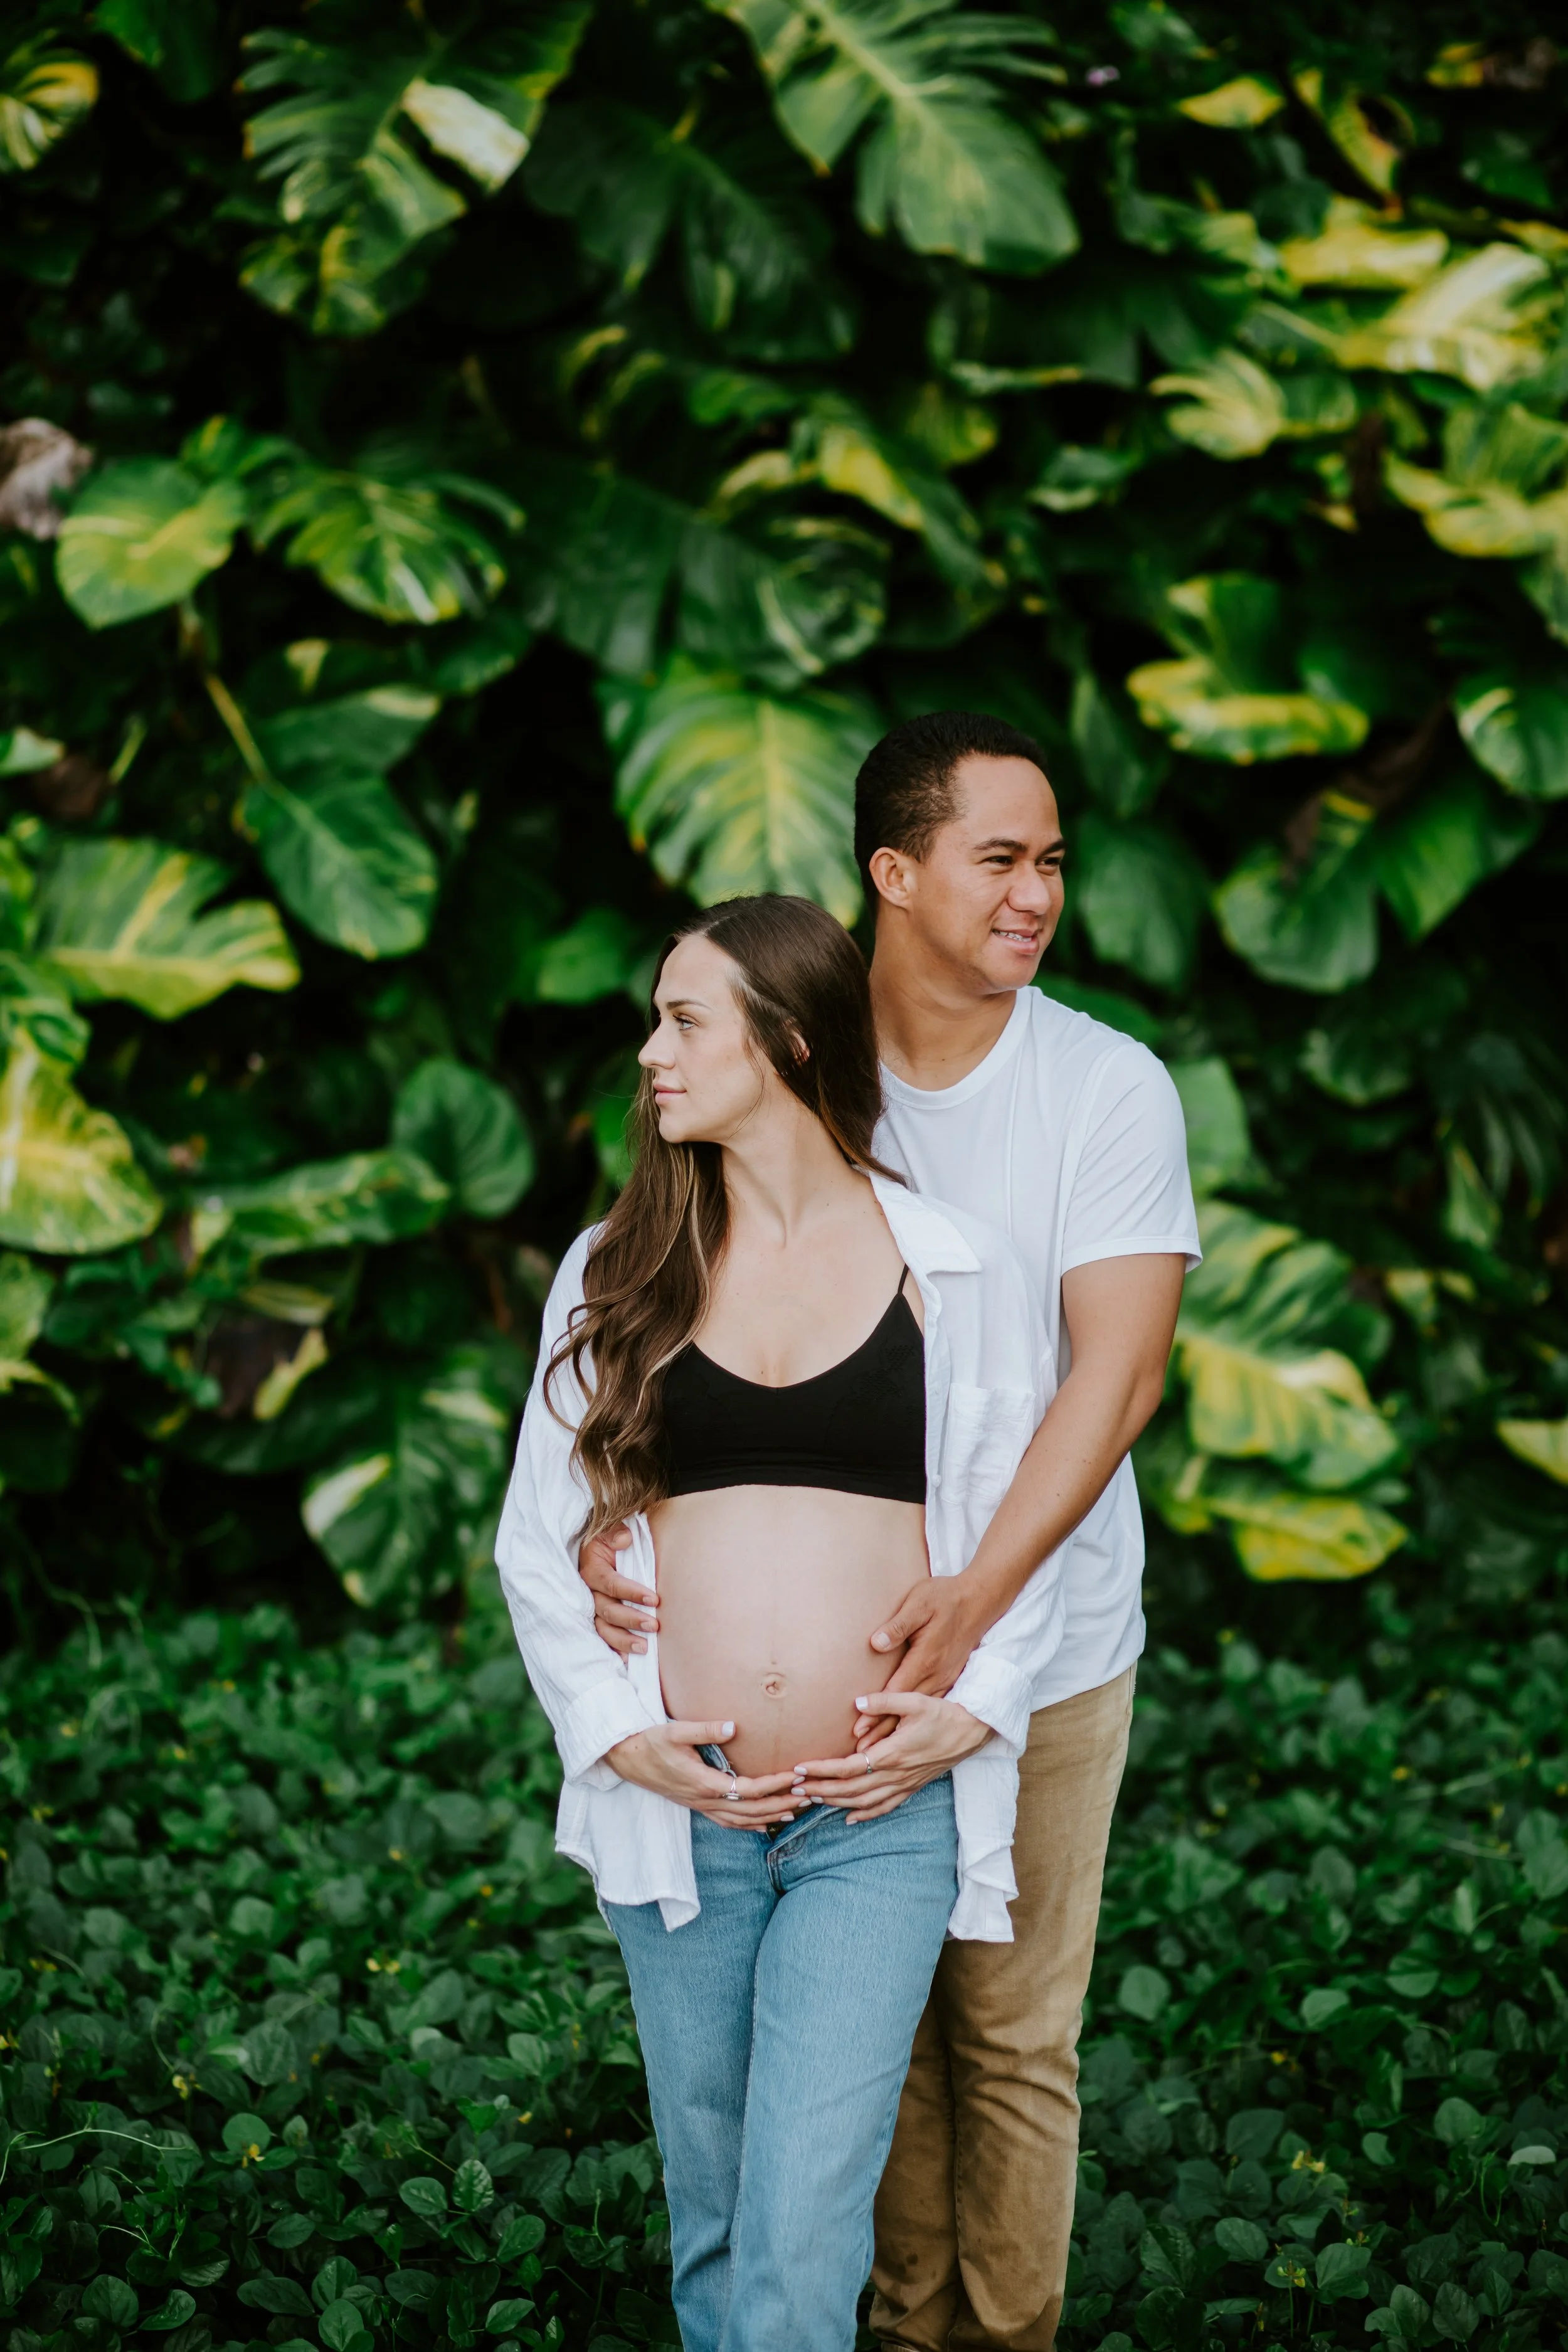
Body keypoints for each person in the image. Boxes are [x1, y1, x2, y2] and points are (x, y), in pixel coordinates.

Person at [583, 714, 1200, 2352]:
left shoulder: (1099, 1088)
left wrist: (971, 1617)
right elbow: (672, 1302)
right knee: (871, 2051)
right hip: (819, 1695)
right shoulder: (781, 1043)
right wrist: (617, 1521)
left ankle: (997, 2335)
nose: (1036, 892)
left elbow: (1115, 1374)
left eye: (1054, 860)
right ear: (892, 870)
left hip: (1044, 1651)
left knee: (1002, 2034)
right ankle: (895, 2325)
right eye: (1000, 856)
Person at [494, 893, 1066, 2352]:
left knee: (804, 2210)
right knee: (720, 2209)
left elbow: (1024, 1527)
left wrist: (974, 1703)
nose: (649, 1054)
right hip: (681, 1815)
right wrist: (622, 1738)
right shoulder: (616, 1266)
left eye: (683, 1020)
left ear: (789, 1039)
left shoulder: (953, 1268)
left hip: (874, 1813)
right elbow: (534, 1541)